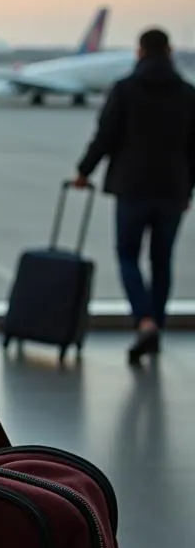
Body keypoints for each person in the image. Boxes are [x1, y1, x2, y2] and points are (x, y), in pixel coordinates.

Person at [74, 27, 195, 365]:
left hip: (132, 189)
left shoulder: (125, 90)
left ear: (140, 52)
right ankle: (156, 326)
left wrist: (84, 171)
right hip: (172, 191)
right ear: (169, 51)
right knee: (162, 260)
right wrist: (189, 189)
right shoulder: (188, 93)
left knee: (128, 257)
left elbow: (105, 136)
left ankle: (144, 321)